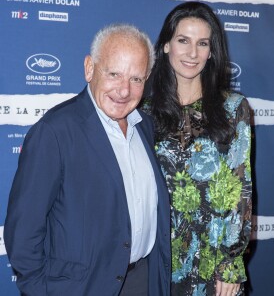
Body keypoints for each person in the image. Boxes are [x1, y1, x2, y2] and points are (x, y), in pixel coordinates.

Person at [4, 24, 171, 296]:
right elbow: (23, 233)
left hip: (142, 281)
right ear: (90, 68)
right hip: (81, 288)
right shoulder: (55, 132)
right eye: (114, 73)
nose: (124, 90)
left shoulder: (144, 127)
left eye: (136, 79)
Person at [142, 1, 252, 296]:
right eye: (183, 40)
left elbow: (239, 190)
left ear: (212, 51)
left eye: (202, 43)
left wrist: (231, 264)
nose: (192, 53)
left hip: (214, 264)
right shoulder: (143, 112)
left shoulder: (233, 109)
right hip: (159, 260)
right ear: (166, 45)